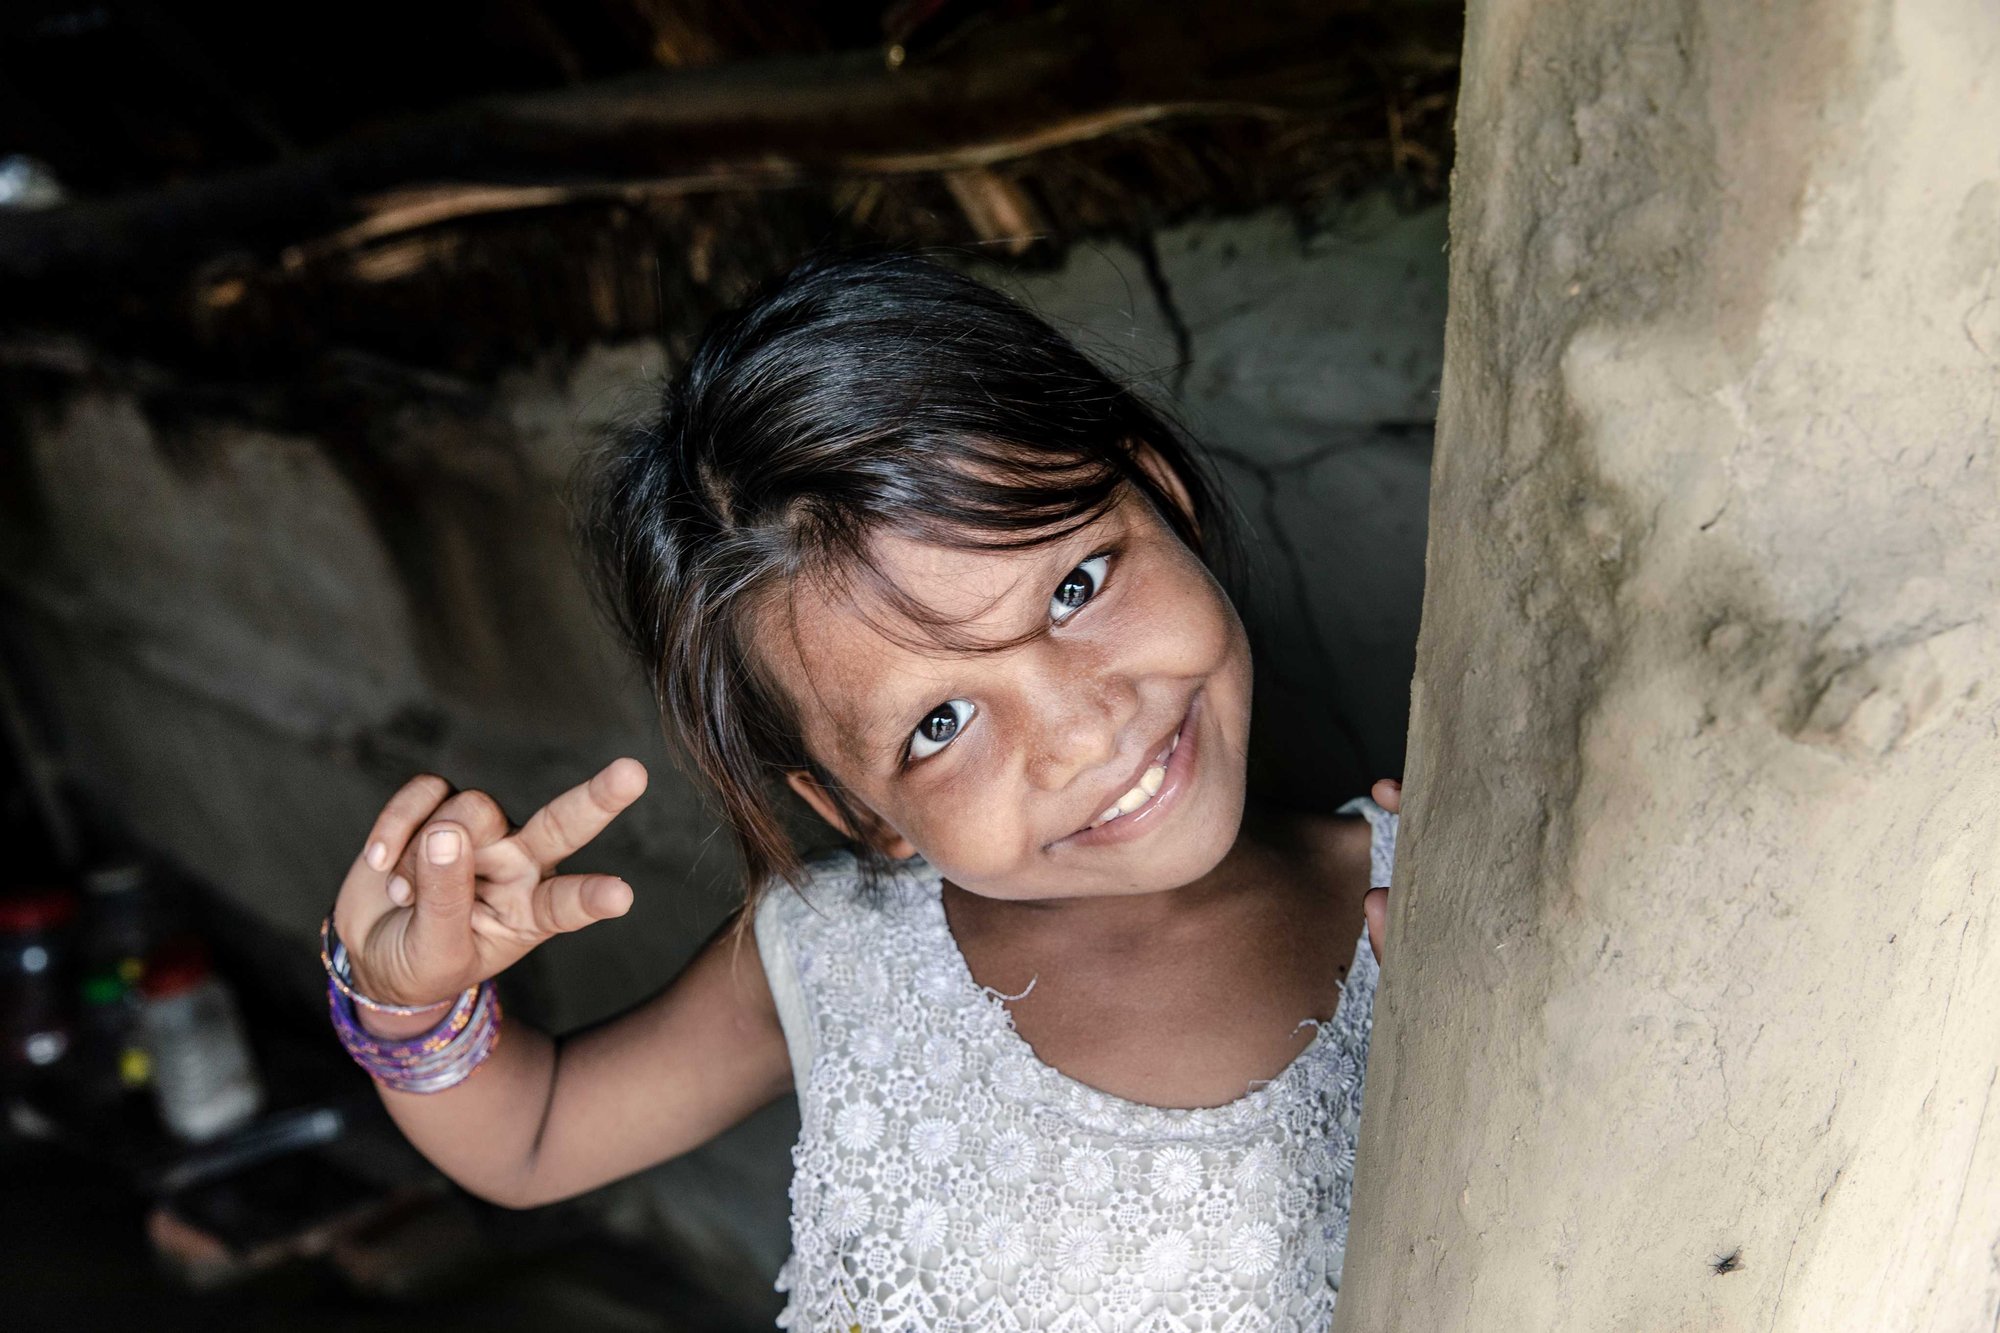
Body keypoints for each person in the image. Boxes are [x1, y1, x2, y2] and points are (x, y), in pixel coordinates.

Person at [323, 252, 1402, 1329]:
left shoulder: (1424, 908)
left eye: (1073, 585)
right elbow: (535, 1133)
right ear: (859, 811)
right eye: (940, 724)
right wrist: (409, 1001)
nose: (1078, 735)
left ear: (1156, 491)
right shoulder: (847, 959)